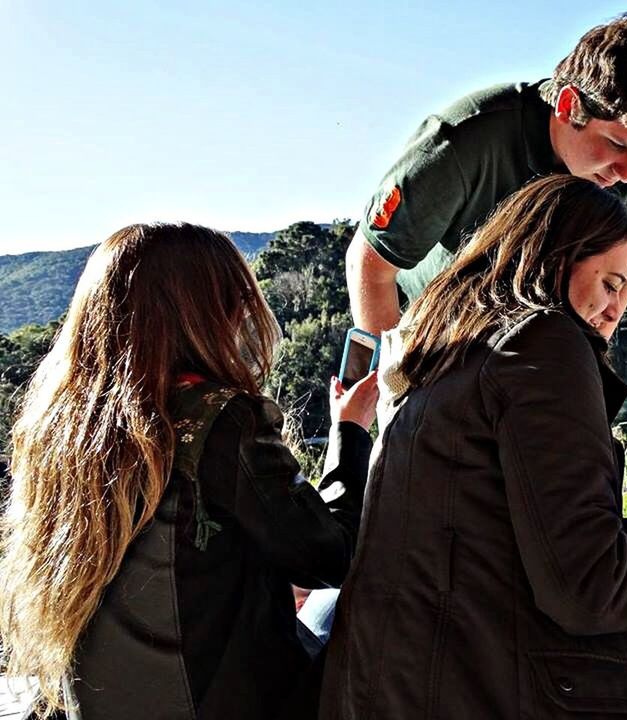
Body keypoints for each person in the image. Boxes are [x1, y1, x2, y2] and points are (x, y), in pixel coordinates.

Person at [319, 176, 627, 720]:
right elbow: (586, 586)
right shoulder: (542, 341)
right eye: (610, 285)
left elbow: (501, 534)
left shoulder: (434, 351)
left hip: (391, 685)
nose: (613, 311)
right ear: (556, 258)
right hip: (479, 689)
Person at [0, 223, 378, 720]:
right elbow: (328, 555)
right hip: (221, 705)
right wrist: (350, 432)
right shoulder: (221, 417)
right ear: (206, 313)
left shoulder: (62, 432)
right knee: (353, 605)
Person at [347, 12, 627, 339]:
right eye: (617, 144)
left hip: (540, 350)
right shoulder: (462, 142)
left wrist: (587, 364)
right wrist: (394, 390)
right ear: (568, 105)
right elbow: (370, 266)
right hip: (436, 340)